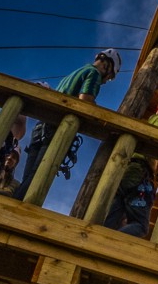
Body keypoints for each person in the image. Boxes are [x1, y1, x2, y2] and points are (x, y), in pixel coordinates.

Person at [19, 48, 122, 196]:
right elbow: (85, 100)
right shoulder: (94, 74)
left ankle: (14, 202)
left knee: (28, 178)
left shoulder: (75, 73)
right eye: (110, 77)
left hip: (41, 127)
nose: (106, 81)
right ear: (107, 65)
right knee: (37, 180)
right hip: (56, 129)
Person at [102, 100, 158, 238]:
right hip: (139, 170)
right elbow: (154, 137)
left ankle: (101, 239)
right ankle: (109, 241)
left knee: (112, 219)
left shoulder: (149, 120)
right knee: (140, 226)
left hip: (126, 169)